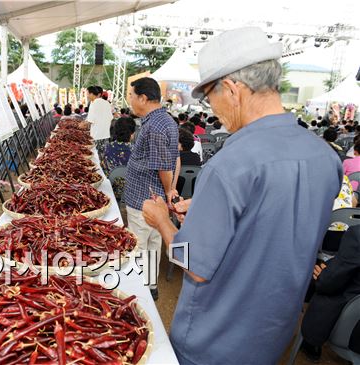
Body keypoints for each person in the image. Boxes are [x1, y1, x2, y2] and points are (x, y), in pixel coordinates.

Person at [141, 26, 342, 365]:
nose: (212, 107)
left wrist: (162, 222)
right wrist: (208, 212)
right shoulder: (324, 156)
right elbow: (276, 232)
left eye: (209, 96)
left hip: (214, 338)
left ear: (232, 89)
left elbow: (194, 265)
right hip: (273, 333)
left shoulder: (230, 164)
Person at [124, 77, 180, 301]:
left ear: (143, 98)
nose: (129, 100)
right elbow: (173, 159)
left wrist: (168, 190)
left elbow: (164, 167)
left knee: (140, 243)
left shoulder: (155, 126)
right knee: (153, 243)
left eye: (131, 96)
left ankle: (141, 290)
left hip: (144, 198)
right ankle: (150, 284)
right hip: (153, 198)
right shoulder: (165, 121)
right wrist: (170, 190)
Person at [300, 224, 360, 361]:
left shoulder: (357, 234)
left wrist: (324, 274)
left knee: (318, 282)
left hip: (350, 330)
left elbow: (328, 283)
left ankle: (311, 343)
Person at [101, 117, 135, 200]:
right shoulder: (136, 151)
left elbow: (103, 169)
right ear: (131, 134)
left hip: (110, 190)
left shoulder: (106, 147)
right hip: (131, 191)